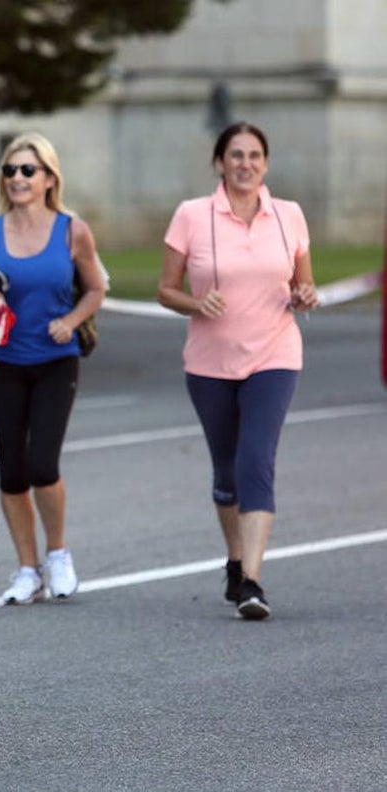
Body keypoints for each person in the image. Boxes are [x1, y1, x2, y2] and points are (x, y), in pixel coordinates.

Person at [158, 121, 317, 620]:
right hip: (209, 363)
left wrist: (305, 294)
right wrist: (195, 302)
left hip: (275, 354)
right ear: (220, 163)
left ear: (265, 164)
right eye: (235, 155)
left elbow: (304, 284)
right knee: (226, 473)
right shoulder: (192, 215)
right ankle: (234, 560)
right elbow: (166, 289)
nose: (245, 164)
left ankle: (252, 580)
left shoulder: (288, 215)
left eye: (254, 156)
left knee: (255, 462)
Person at [0, 132, 105, 606]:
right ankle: (27, 568)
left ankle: (58, 553)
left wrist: (71, 320)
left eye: (28, 170)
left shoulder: (72, 230)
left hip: (54, 361)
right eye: (10, 170)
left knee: (43, 464)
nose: (18, 178)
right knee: (12, 473)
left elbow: (95, 288)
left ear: (49, 178)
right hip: (4, 362)